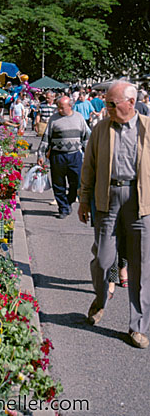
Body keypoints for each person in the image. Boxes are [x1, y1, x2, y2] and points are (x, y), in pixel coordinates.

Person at [78, 80, 150, 349]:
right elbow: (89, 166)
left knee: (141, 267)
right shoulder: (101, 129)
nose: (106, 108)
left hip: (140, 202)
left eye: (111, 104)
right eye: (106, 103)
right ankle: (100, 300)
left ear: (131, 103)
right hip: (108, 200)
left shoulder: (147, 128)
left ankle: (138, 327)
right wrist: (84, 200)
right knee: (103, 259)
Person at [37, 96, 90, 219]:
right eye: (58, 107)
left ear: (70, 106)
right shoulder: (54, 119)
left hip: (75, 155)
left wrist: (88, 154)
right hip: (58, 155)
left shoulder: (79, 118)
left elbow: (86, 137)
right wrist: (41, 154)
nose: (59, 110)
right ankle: (63, 208)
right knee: (58, 183)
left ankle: (69, 201)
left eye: (62, 108)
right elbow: (46, 138)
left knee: (76, 182)